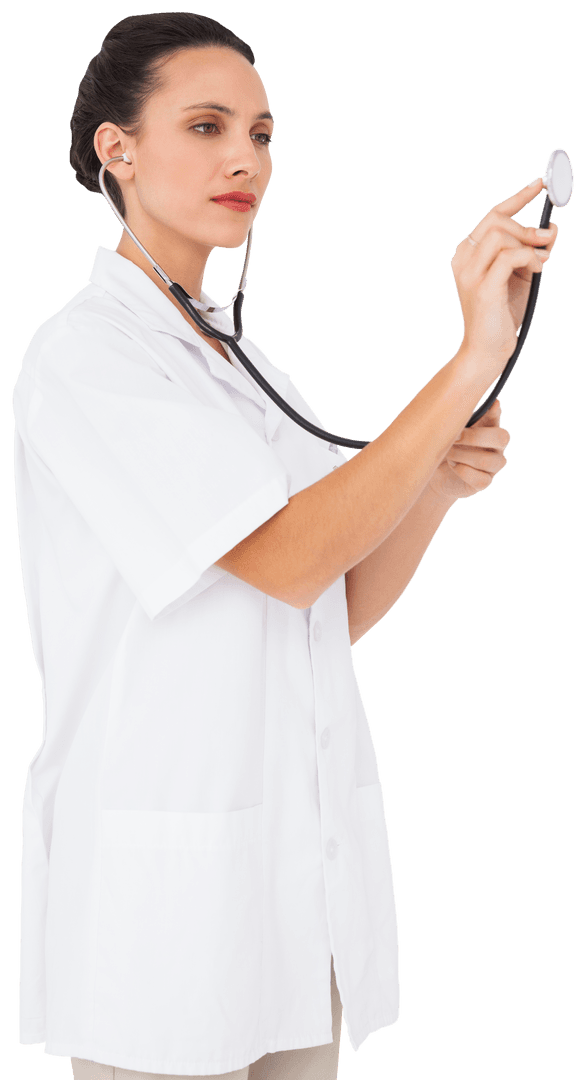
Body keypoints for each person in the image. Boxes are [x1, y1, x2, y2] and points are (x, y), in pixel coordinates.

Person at [11, 12, 558, 1080]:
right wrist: (463, 365)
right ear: (115, 149)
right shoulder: (84, 357)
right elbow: (290, 555)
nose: (243, 159)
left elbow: (327, 606)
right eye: (207, 125)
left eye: (261, 134)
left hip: (288, 908)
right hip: (161, 921)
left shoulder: (236, 363)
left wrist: (435, 489)